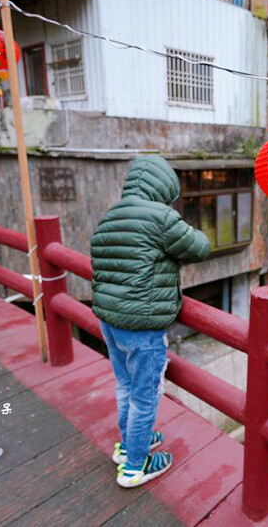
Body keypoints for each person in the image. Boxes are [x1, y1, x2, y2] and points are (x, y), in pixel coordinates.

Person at [91, 155, 210, 488]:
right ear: (163, 188)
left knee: (125, 387)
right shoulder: (161, 217)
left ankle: (129, 445)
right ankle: (135, 467)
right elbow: (200, 247)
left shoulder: (110, 215)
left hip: (109, 321)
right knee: (145, 397)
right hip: (143, 327)